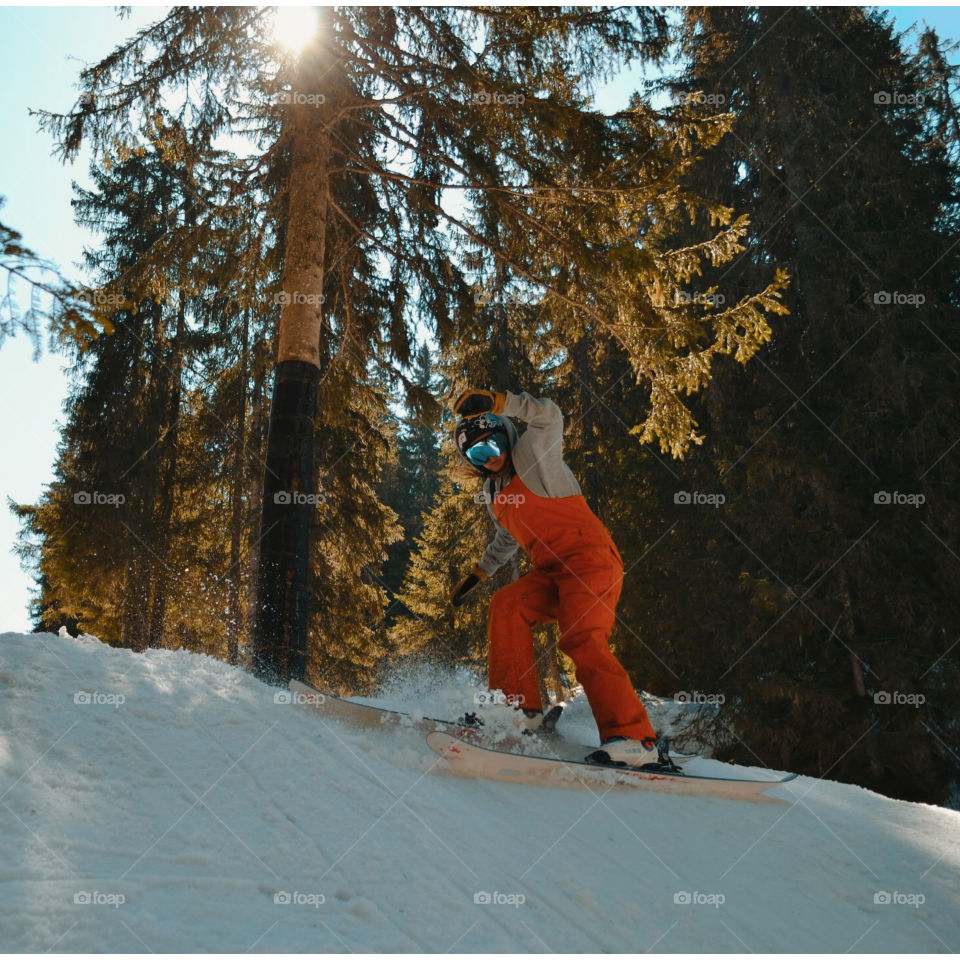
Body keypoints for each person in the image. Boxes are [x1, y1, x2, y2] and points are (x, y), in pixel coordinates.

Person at [449, 388, 660, 767]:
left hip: (590, 562)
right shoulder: (494, 491)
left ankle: (634, 739)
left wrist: (500, 404)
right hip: (553, 571)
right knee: (507, 604)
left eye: (495, 444)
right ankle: (519, 712)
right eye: (479, 454)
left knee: (582, 638)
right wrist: (479, 574)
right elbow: (507, 539)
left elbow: (551, 416)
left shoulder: (533, 458)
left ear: (508, 436)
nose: (492, 457)